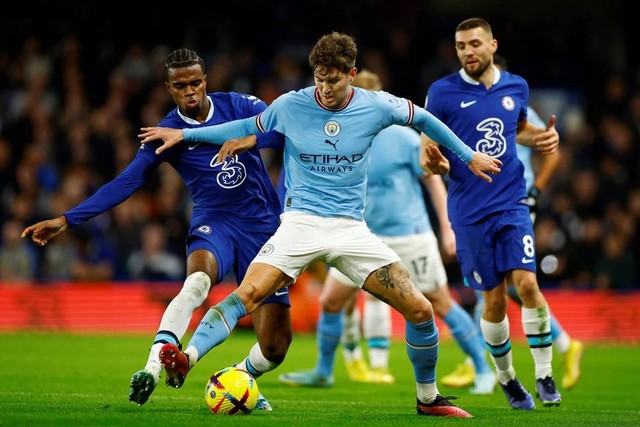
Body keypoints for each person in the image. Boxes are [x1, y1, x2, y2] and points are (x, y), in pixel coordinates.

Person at [139, 32, 503, 418]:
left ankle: (428, 398)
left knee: (421, 309)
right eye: (319, 79)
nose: (325, 89)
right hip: (301, 224)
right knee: (247, 294)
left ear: (352, 74)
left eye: (334, 80)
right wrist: (186, 134)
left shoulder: (377, 105)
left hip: (351, 230)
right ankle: (188, 358)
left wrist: (468, 156)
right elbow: (243, 126)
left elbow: (426, 118)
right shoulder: (292, 104)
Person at [21, 48, 292, 410]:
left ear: (206, 80)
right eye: (181, 86)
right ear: (169, 88)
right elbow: (126, 182)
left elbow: (282, 132)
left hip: (262, 228)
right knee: (197, 281)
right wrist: (68, 218)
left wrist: (247, 138)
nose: (191, 91)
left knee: (275, 348)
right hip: (215, 223)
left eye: (196, 82)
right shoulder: (164, 132)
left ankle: (235, 377)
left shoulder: (239, 105)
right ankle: (152, 367)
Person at [277, 69, 496, 394]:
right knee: (331, 301)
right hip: (361, 236)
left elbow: (433, 180)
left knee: (439, 301)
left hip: (410, 235)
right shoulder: (338, 138)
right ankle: (323, 370)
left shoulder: (403, 138)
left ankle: (483, 370)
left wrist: (447, 228)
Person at [421, 18, 563, 410]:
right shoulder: (442, 93)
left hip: (512, 203)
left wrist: (543, 137)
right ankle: (508, 379)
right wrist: (436, 162)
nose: (467, 51)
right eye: (461, 46)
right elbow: (427, 156)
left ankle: (545, 374)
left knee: (528, 285)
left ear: (492, 45)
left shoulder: (515, 86)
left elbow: (517, 129)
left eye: (474, 44)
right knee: (495, 300)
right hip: (469, 211)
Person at [442, 54, 584, 392]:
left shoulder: (514, 103)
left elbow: (551, 148)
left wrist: (537, 190)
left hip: (513, 201)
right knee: (503, 287)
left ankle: (480, 363)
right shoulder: (467, 105)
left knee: (505, 286)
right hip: (481, 202)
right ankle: (563, 343)